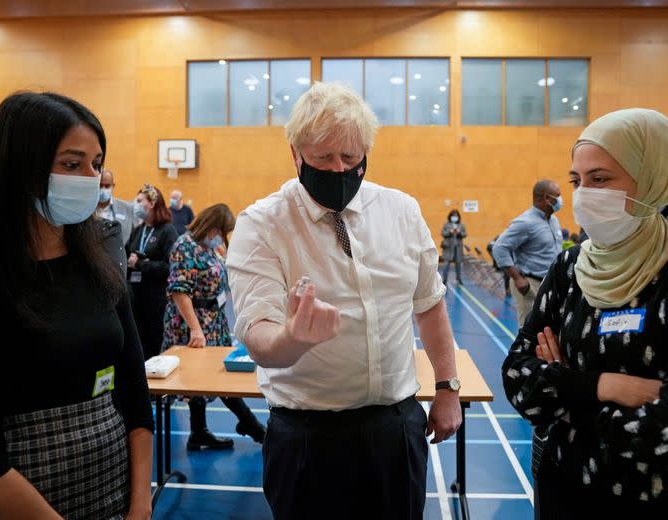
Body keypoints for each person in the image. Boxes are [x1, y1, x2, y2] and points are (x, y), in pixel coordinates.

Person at [226, 82, 461, 519]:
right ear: (295, 153)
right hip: (307, 437)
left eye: (351, 158)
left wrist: (447, 387)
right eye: (322, 158)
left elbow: (429, 304)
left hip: (395, 427)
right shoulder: (260, 225)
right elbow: (258, 335)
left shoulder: (402, 211)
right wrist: (293, 338)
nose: (338, 169)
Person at [502, 108, 668, 519]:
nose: (583, 194)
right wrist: (606, 386)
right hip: (566, 491)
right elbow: (519, 381)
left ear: (651, 177)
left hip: (666, 500)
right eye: (577, 181)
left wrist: (566, 391)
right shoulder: (570, 268)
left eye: (601, 179)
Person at [0, 91, 153, 519]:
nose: (91, 177)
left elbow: (135, 400)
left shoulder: (101, 270)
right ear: (23, 169)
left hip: (115, 494)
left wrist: (140, 506)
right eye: (72, 164)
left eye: (96, 163)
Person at [162, 203, 265, 449]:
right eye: (221, 231)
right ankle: (253, 426)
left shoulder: (207, 247)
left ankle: (199, 432)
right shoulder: (185, 246)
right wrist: (196, 329)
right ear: (210, 225)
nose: (222, 237)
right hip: (193, 322)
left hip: (213, 319)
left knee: (211, 378)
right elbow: (179, 292)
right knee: (206, 377)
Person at [492, 179, 563, 327]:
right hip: (530, 283)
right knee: (530, 331)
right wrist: (517, 278)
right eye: (558, 196)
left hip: (551, 283)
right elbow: (499, 248)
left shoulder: (554, 221)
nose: (560, 200)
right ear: (546, 198)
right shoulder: (525, 222)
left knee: (549, 329)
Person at [127, 183, 178, 360]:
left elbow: (170, 266)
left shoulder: (167, 231)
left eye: (139, 200)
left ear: (152, 204)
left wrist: (142, 265)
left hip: (156, 296)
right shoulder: (138, 230)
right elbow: (128, 256)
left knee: (155, 340)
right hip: (136, 294)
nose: (135, 204)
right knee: (138, 342)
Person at [97, 169, 137, 244]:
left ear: (113, 186)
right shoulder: (87, 208)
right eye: (100, 185)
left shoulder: (127, 208)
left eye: (107, 186)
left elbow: (135, 236)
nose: (103, 189)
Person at [440, 209, 467, 285]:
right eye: (453, 216)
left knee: (458, 265)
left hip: (458, 248)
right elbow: (443, 233)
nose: (454, 217)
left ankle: (459, 279)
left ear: (458, 217)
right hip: (448, 248)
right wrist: (449, 232)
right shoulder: (446, 224)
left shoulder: (461, 225)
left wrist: (459, 233)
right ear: (450, 216)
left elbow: (465, 234)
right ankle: (444, 280)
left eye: (456, 216)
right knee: (446, 265)